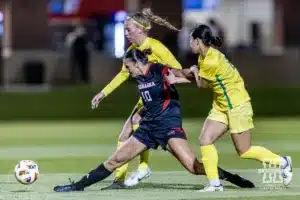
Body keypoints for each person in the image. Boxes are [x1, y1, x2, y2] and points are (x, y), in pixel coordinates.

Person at [54, 49, 254, 193]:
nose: (127, 70)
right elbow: (149, 100)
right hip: (149, 129)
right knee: (115, 160)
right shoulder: (139, 78)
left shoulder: (159, 70)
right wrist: (138, 115)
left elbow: (182, 75)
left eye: (128, 66)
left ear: (138, 63)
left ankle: (229, 177)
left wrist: (192, 71)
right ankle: (77, 186)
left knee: (194, 168)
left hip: (168, 126)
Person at [187, 24, 293, 192]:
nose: (189, 43)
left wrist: (193, 71)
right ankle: (215, 183)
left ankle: (283, 162)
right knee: (205, 139)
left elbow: (202, 85)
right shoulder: (205, 56)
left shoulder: (210, 60)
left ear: (198, 41)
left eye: (191, 39)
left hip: (237, 105)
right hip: (222, 105)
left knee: (244, 151)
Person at [91, 8, 186, 189]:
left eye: (129, 29)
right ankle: (122, 178)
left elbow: (178, 69)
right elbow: (123, 74)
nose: (126, 33)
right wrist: (103, 93)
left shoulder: (156, 47)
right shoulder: (133, 49)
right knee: (124, 134)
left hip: (159, 101)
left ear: (141, 29)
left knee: (136, 122)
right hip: (146, 97)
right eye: (125, 29)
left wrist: (164, 81)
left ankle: (141, 168)